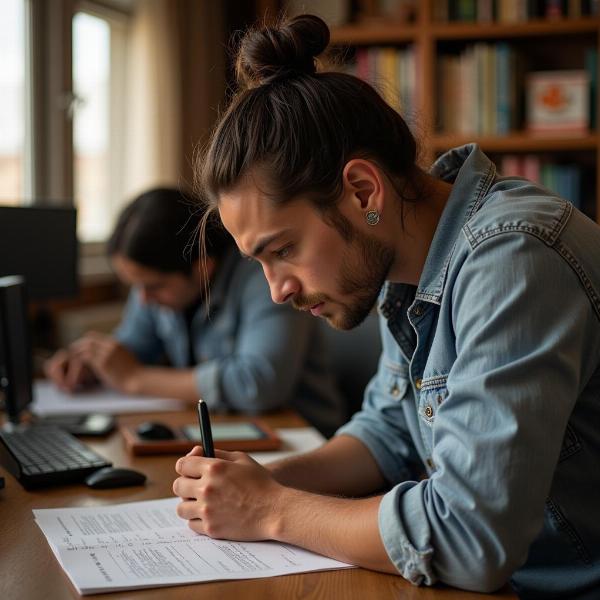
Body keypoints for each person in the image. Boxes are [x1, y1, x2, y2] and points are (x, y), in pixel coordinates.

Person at [171, 14, 600, 599]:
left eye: (284, 250)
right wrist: (256, 481)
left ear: (362, 190)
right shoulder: (409, 262)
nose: (278, 290)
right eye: (260, 263)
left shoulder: (513, 260)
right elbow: (389, 432)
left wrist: (272, 509)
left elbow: (470, 538)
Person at [44, 187, 344, 436]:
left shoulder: (266, 279)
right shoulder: (156, 287)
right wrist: (91, 365)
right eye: (136, 288)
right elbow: (132, 350)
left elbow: (259, 383)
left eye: (154, 286)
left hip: (302, 438)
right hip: (222, 431)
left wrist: (135, 379)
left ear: (203, 267)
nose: (143, 300)